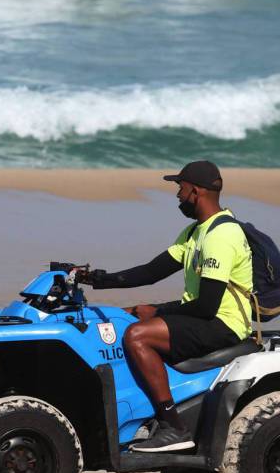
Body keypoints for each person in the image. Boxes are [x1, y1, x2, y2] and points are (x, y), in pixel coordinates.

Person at [77, 161, 253, 453]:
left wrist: (158, 311)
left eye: (180, 188)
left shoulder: (221, 235)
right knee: (128, 315)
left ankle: (172, 425)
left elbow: (208, 306)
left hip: (223, 325)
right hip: (204, 317)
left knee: (137, 335)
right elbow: (150, 272)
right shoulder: (195, 232)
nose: (177, 196)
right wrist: (95, 279)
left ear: (195, 191)